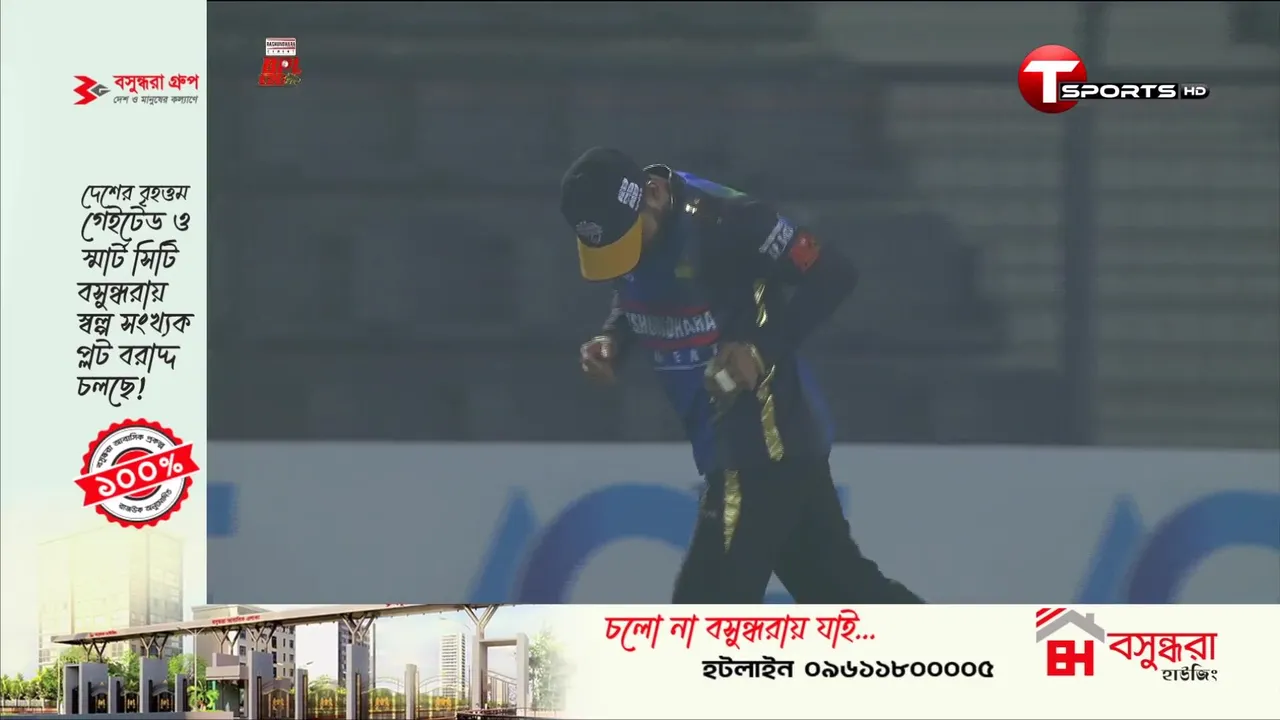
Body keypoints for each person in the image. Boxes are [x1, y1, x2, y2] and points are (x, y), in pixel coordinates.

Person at [560, 147, 923, 603]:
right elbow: (636, 287)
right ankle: (970, 647)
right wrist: (614, 338)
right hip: (749, 448)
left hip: (761, 444)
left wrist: (758, 349)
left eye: (629, 244)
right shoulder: (629, 226)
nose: (626, 260)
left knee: (703, 614)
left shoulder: (729, 220)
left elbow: (834, 272)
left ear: (653, 193)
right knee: (843, 592)